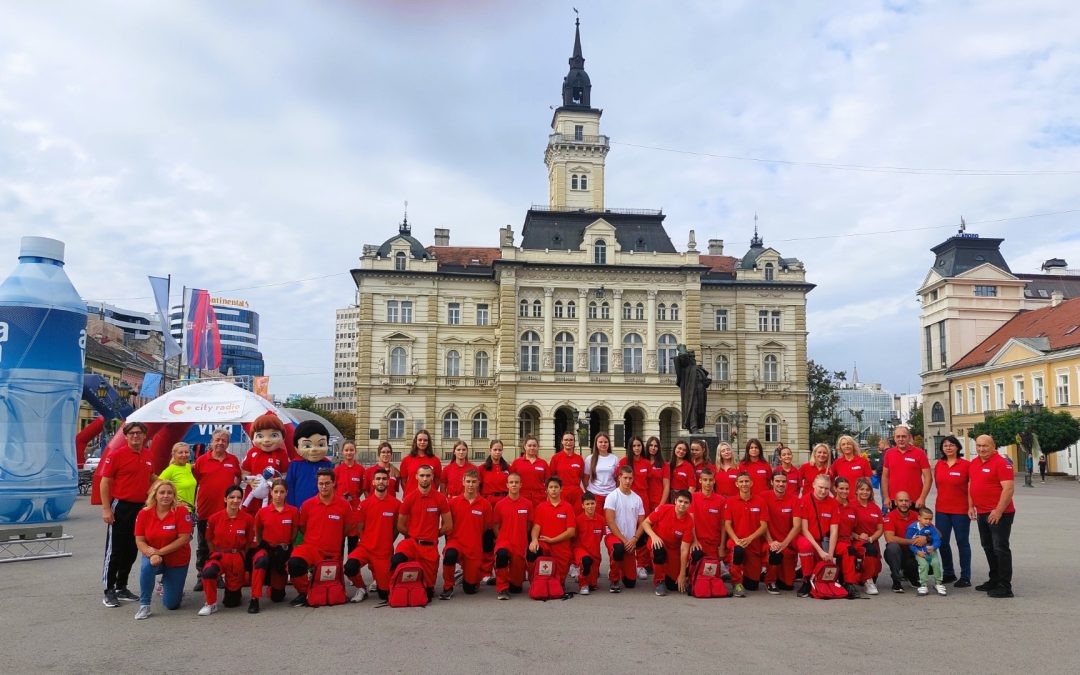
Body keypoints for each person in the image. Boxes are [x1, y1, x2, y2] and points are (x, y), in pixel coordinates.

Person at [101, 421, 156, 608]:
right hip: (121, 506)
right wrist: (106, 508)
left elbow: (150, 477)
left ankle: (121, 586)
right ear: (126, 436)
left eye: (139, 433)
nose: (135, 436)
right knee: (115, 550)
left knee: (133, 549)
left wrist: (167, 484)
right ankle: (108, 590)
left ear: (144, 436)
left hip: (141, 507)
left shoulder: (148, 454)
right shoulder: (116, 455)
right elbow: (105, 482)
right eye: (131, 433)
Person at [287, 468, 356, 607]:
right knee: (294, 563)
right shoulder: (307, 505)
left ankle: (317, 587)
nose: (324, 487)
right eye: (321, 483)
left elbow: (347, 528)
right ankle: (305, 592)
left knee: (332, 589)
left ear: (333, 483)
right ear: (317, 484)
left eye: (327, 483)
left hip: (331, 553)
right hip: (310, 549)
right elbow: (302, 527)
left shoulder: (344, 505)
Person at [133, 479, 193, 619]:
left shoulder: (181, 511)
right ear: (155, 495)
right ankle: (144, 605)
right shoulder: (144, 513)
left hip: (176, 558)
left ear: (174, 495)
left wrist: (158, 552)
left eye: (169, 493)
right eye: (162, 493)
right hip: (153, 556)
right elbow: (139, 540)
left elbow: (184, 539)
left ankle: (167, 583)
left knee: (172, 605)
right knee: (147, 567)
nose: (166, 496)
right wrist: (151, 553)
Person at [191, 428, 242, 592]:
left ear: (228, 443)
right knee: (203, 546)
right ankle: (201, 576)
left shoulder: (233, 460)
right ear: (211, 442)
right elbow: (194, 483)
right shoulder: (201, 461)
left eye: (224, 440)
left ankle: (218, 575)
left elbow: (238, 481)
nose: (220, 442)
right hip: (206, 511)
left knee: (221, 546)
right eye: (217, 440)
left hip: (226, 514)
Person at [392, 464, 452, 600]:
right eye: (422, 475)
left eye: (428, 476)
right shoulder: (409, 498)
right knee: (397, 559)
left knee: (428, 592)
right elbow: (400, 525)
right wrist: (414, 534)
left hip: (430, 548)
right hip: (412, 544)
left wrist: (432, 535)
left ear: (432, 477)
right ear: (416, 477)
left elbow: (448, 525)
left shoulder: (440, 498)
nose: (425, 479)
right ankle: (396, 584)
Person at [198, 485, 256, 616]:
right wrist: (214, 554)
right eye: (232, 497)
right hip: (219, 555)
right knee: (208, 572)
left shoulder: (247, 519)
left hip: (237, 558)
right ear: (225, 499)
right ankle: (210, 603)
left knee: (231, 603)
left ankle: (236, 590)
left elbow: (248, 541)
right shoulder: (214, 518)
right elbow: (209, 539)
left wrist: (240, 555)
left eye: (238, 498)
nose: (235, 500)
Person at [345, 468, 401, 603]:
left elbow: (397, 528)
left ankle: (381, 582)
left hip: (384, 552)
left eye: (384, 479)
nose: (381, 481)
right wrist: (367, 540)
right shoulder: (364, 504)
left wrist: (387, 541)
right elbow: (359, 527)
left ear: (388, 482)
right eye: (378, 479)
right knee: (350, 566)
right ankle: (361, 588)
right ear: (373, 482)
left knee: (384, 594)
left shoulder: (396, 504)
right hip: (365, 548)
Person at [970, 434, 1016, 598]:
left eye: (985, 446)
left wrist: (998, 510)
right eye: (978, 446)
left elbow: (1008, 489)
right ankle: (994, 579)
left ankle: (1005, 586)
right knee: (988, 547)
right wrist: (970, 506)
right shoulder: (974, 463)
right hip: (982, 512)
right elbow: (972, 486)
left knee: (1000, 548)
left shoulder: (1002, 463)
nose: (981, 449)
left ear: (993, 446)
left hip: (1000, 513)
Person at [439, 469, 493, 599]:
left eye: (474, 482)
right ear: (463, 482)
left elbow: (486, 527)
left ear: (478, 483)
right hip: (456, 542)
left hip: (474, 547)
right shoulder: (452, 503)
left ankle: (468, 576)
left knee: (469, 589)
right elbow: (446, 524)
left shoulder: (485, 504)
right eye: (468, 481)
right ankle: (448, 586)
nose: (470, 485)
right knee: (450, 555)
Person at [250, 479, 299, 613]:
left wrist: (286, 547)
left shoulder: (293, 511)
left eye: (282, 492)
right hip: (266, 549)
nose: (278, 495)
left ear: (286, 493)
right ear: (271, 493)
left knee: (277, 597)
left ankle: (272, 586)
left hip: (283, 552)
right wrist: (263, 546)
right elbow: (258, 532)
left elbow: (294, 534)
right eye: (276, 492)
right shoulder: (262, 512)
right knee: (261, 561)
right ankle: (254, 599)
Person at [933, 435, 971, 588]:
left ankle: (965, 576)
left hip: (961, 510)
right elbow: (938, 485)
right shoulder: (939, 465)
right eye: (945, 445)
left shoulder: (966, 465)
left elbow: (971, 488)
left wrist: (970, 506)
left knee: (962, 542)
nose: (948, 447)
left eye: (951, 445)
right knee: (942, 542)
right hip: (942, 509)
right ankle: (949, 573)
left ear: (957, 447)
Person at [528, 477, 577, 593]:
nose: (553, 490)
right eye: (551, 487)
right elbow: (536, 527)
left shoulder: (567, 507)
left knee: (558, 584)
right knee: (532, 551)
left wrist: (553, 540)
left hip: (562, 549)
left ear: (561, 489)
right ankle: (534, 582)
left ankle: (557, 582)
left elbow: (571, 531)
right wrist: (534, 540)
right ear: (546, 490)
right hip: (545, 545)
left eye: (556, 487)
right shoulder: (541, 507)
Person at [642, 490, 695, 595]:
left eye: (686, 502)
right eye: (680, 501)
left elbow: (684, 549)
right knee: (658, 550)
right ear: (675, 501)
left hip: (673, 550)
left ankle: (666, 574)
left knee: (673, 586)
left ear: (689, 504)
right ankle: (659, 582)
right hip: (658, 542)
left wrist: (682, 574)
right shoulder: (664, 509)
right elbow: (645, 523)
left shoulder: (689, 521)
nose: (682, 504)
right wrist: (654, 536)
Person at [723, 472, 768, 597]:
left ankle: (746, 577)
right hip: (736, 541)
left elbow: (764, 526)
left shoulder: (760, 501)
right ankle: (736, 582)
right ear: (736, 484)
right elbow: (727, 524)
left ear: (751, 483)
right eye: (741, 482)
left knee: (752, 586)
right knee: (737, 550)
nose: (744, 484)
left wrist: (750, 538)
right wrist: (736, 540)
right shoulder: (731, 501)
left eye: (746, 481)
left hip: (753, 544)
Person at [795, 474, 839, 598]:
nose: (823, 491)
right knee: (806, 546)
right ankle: (806, 579)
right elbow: (804, 529)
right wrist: (820, 551)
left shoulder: (833, 503)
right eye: (820, 487)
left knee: (823, 571)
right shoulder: (804, 500)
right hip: (807, 538)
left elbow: (834, 530)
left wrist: (830, 553)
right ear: (813, 485)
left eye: (826, 488)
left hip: (823, 540)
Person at [603, 465, 646, 592]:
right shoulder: (612, 496)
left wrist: (634, 539)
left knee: (630, 582)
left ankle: (619, 568)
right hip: (614, 537)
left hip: (630, 541)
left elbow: (642, 522)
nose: (628, 481)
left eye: (630, 478)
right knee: (618, 549)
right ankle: (614, 579)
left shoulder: (637, 498)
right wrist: (624, 540)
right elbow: (610, 522)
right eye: (625, 478)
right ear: (619, 478)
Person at [492, 473, 532, 600]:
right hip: (504, 542)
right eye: (511, 482)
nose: (514, 484)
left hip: (520, 544)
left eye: (516, 482)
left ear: (521, 485)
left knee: (516, 588)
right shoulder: (500, 504)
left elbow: (529, 525)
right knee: (502, 554)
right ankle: (502, 588)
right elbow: (495, 526)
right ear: (507, 485)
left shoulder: (528, 504)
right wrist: (502, 539)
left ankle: (513, 580)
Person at [762, 470, 800, 594]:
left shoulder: (794, 500)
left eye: (784, 481)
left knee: (787, 585)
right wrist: (771, 541)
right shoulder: (763, 497)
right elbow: (763, 523)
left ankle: (780, 575)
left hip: (787, 542)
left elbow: (797, 526)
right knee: (774, 552)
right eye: (777, 481)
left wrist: (784, 543)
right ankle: (770, 580)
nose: (781, 484)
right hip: (769, 541)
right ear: (772, 482)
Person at [478, 439, 510, 584]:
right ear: (490, 450)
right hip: (488, 504)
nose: (497, 452)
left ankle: (502, 569)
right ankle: (486, 571)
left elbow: (513, 486)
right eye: (495, 449)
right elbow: (477, 488)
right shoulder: (483, 468)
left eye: (499, 450)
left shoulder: (507, 467)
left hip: (503, 504)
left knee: (502, 537)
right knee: (488, 537)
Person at [881, 425, 932, 510]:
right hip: (895, 500)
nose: (901, 439)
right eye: (898, 436)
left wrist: (922, 498)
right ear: (894, 438)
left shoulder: (920, 453)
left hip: (915, 500)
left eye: (904, 436)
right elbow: (885, 477)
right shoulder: (889, 453)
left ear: (909, 437)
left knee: (915, 523)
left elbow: (928, 478)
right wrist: (886, 497)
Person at [882, 491, 921, 593]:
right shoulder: (889, 516)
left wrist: (926, 539)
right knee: (892, 547)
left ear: (910, 503)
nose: (904, 503)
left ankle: (912, 576)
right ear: (895, 503)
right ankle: (896, 580)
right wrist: (912, 541)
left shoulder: (917, 516)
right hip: (896, 553)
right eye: (901, 501)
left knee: (924, 552)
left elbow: (937, 533)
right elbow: (890, 538)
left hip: (912, 553)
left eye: (906, 501)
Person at [851, 477, 884, 595]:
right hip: (856, 541)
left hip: (871, 541)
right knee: (869, 552)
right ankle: (867, 580)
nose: (865, 492)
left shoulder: (875, 507)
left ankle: (868, 577)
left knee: (875, 568)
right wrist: (857, 536)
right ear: (856, 491)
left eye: (867, 490)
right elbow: (845, 528)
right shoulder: (851, 505)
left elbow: (880, 528)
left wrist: (871, 538)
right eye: (862, 489)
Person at [831, 476, 861, 597]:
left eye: (847, 489)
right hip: (834, 541)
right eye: (841, 488)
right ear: (835, 489)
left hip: (849, 539)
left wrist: (858, 535)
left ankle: (867, 578)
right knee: (849, 550)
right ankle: (849, 583)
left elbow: (854, 528)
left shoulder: (852, 507)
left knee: (868, 549)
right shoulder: (831, 504)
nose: (844, 491)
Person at [690, 468, 726, 567]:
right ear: (700, 480)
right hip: (697, 543)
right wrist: (694, 540)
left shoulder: (721, 500)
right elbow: (690, 522)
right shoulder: (693, 497)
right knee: (696, 573)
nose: (708, 483)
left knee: (710, 574)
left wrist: (722, 546)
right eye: (705, 480)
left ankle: (721, 567)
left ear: (714, 481)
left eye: (710, 480)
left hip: (713, 546)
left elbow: (723, 525)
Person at [907, 507, 946, 596]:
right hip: (920, 552)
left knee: (936, 564)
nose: (928, 521)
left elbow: (937, 539)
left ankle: (938, 583)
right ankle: (923, 585)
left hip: (931, 551)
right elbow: (910, 542)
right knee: (923, 565)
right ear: (919, 517)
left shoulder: (931, 528)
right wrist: (917, 552)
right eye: (926, 519)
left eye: (930, 519)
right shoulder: (912, 528)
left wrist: (934, 547)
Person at [573, 492, 606, 595]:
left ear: (596, 504)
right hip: (580, 550)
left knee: (593, 585)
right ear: (583, 505)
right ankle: (583, 584)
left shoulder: (601, 520)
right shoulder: (577, 520)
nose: (590, 506)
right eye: (587, 504)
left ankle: (586, 578)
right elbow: (574, 538)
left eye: (592, 503)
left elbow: (600, 537)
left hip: (595, 553)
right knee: (586, 561)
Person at [549, 432, 586, 514]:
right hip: (562, 492)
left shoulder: (579, 459)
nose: (568, 442)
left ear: (574, 442)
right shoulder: (556, 458)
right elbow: (551, 477)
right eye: (566, 440)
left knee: (577, 516)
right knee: (561, 515)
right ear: (562, 441)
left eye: (571, 440)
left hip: (576, 494)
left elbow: (582, 477)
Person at [399, 429, 442, 496]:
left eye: (425, 440)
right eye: (420, 440)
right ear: (415, 441)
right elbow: (403, 481)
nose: (422, 442)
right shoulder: (406, 460)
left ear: (428, 442)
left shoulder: (435, 460)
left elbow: (437, 480)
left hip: (429, 496)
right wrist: (410, 492)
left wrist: (429, 491)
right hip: (411, 496)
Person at [583, 433, 619, 511]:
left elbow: (617, 478)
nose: (603, 444)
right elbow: (586, 478)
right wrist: (588, 492)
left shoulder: (614, 458)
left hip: (611, 495)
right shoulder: (590, 459)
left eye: (605, 442)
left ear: (609, 443)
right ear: (596, 443)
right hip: (595, 495)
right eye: (600, 442)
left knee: (610, 520)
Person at [510, 435, 549, 507]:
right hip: (521, 497)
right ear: (525, 447)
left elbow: (548, 482)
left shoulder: (543, 463)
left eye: (534, 445)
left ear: (537, 447)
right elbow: (511, 481)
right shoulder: (517, 463)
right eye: (529, 445)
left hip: (539, 498)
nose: (532, 448)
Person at [157, 443, 196, 513]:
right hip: (175, 511)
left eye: (186, 452)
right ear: (174, 455)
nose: (184, 455)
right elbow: (154, 490)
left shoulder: (188, 467)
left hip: (189, 510)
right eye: (180, 453)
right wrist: (174, 503)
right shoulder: (170, 470)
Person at [644, 436, 670, 511]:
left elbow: (666, 486)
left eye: (656, 446)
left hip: (658, 502)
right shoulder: (643, 462)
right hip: (645, 501)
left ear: (658, 448)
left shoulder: (664, 465)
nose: (653, 448)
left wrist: (661, 505)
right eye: (651, 445)